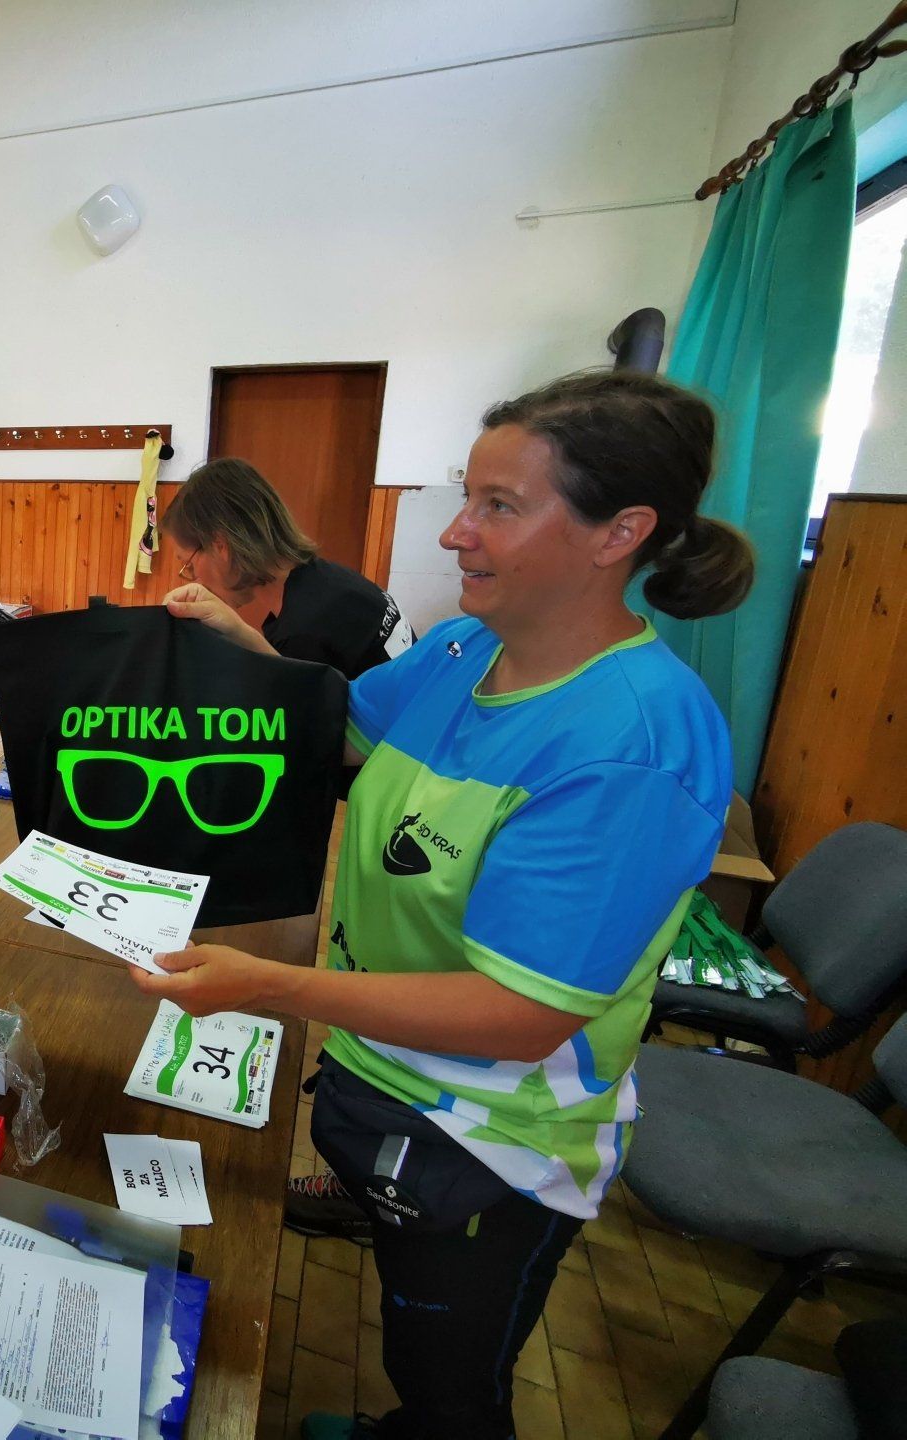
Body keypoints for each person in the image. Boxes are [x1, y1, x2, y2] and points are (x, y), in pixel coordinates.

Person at [148, 370, 754, 1440]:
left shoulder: (634, 744)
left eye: (498, 507)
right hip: (386, 1079)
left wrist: (270, 985)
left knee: (450, 1388)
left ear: (620, 533)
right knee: (406, 1340)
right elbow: (338, 731)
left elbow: (520, 1015)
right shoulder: (466, 648)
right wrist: (235, 642)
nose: (454, 532)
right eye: (466, 497)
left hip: (491, 1141)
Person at [163, 457, 413, 681]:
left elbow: (308, 708)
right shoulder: (327, 583)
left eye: (189, 564)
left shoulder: (308, 627)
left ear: (221, 546)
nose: (194, 579)